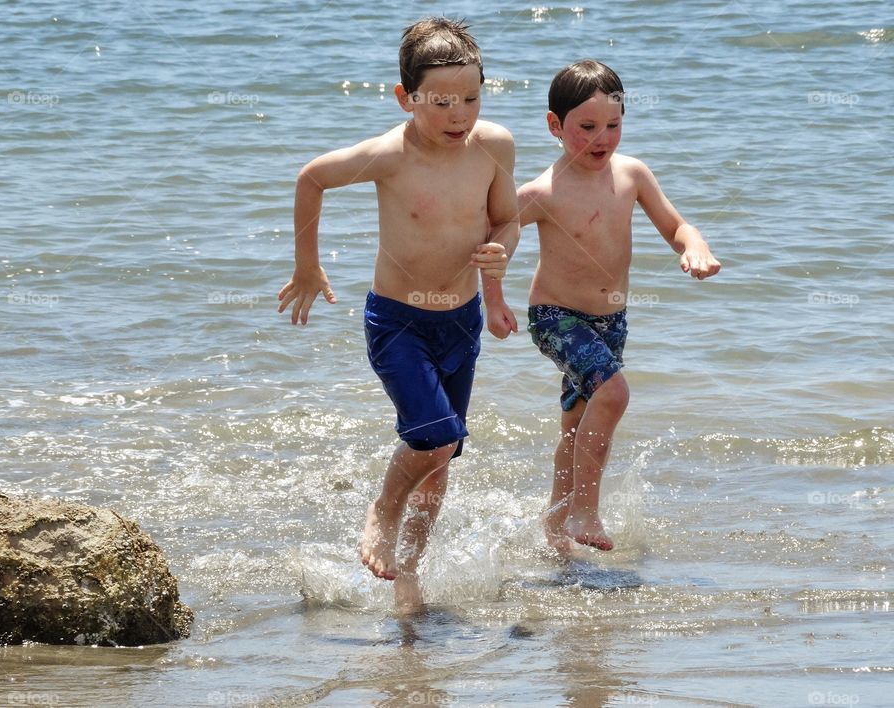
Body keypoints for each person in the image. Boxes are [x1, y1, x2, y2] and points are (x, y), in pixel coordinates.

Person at [277, 17, 519, 608]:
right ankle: (382, 513)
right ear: (405, 98)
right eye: (441, 102)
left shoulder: (494, 147)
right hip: (398, 322)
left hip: (459, 322)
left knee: (441, 461)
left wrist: (501, 254)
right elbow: (312, 178)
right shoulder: (389, 155)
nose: (459, 114)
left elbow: (507, 219)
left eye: (471, 98)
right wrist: (308, 266)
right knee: (436, 436)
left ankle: (408, 574)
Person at [518, 60, 720, 555]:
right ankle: (586, 509)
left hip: (611, 321)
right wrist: (486, 294)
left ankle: (554, 530)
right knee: (613, 394)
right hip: (554, 318)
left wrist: (695, 248)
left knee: (577, 422)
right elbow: (487, 238)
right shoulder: (541, 193)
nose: (601, 137)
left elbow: (677, 226)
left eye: (613, 124)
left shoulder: (632, 174)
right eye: (586, 127)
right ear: (554, 126)